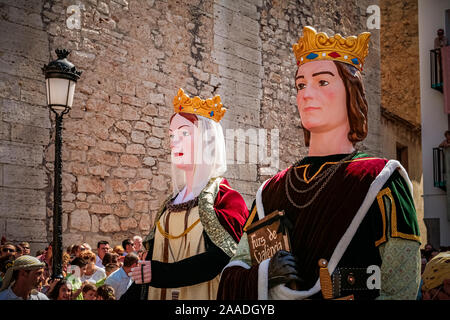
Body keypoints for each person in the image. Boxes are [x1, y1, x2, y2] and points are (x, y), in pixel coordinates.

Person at [217, 26, 421, 300]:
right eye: (301, 84)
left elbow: (401, 288)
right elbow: (236, 267)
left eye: (322, 82)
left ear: (351, 91)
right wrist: (265, 274)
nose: (306, 93)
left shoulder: (381, 180)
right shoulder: (271, 191)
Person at [123, 88, 249, 300]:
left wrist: (163, 273)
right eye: (172, 135)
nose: (174, 142)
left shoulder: (225, 198)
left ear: (207, 141)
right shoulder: (170, 204)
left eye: (183, 133)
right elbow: (149, 267)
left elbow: (223, 258)